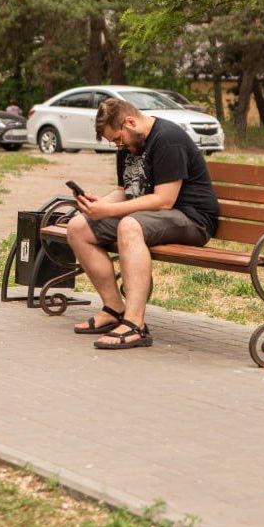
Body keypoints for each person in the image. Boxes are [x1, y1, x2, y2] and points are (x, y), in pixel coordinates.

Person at [66, 97, 219, 350]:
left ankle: (135, 324)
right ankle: (114, 309)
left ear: (130, 122)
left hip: (192, 219)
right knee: (78, 227)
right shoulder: (128, 146)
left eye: (118, 139)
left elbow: (164, 200)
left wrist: (109, 210)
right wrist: (97, 205)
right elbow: (124, 191)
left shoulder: (168, 138)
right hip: (151, 217)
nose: (118, 146)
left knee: (129, 225)